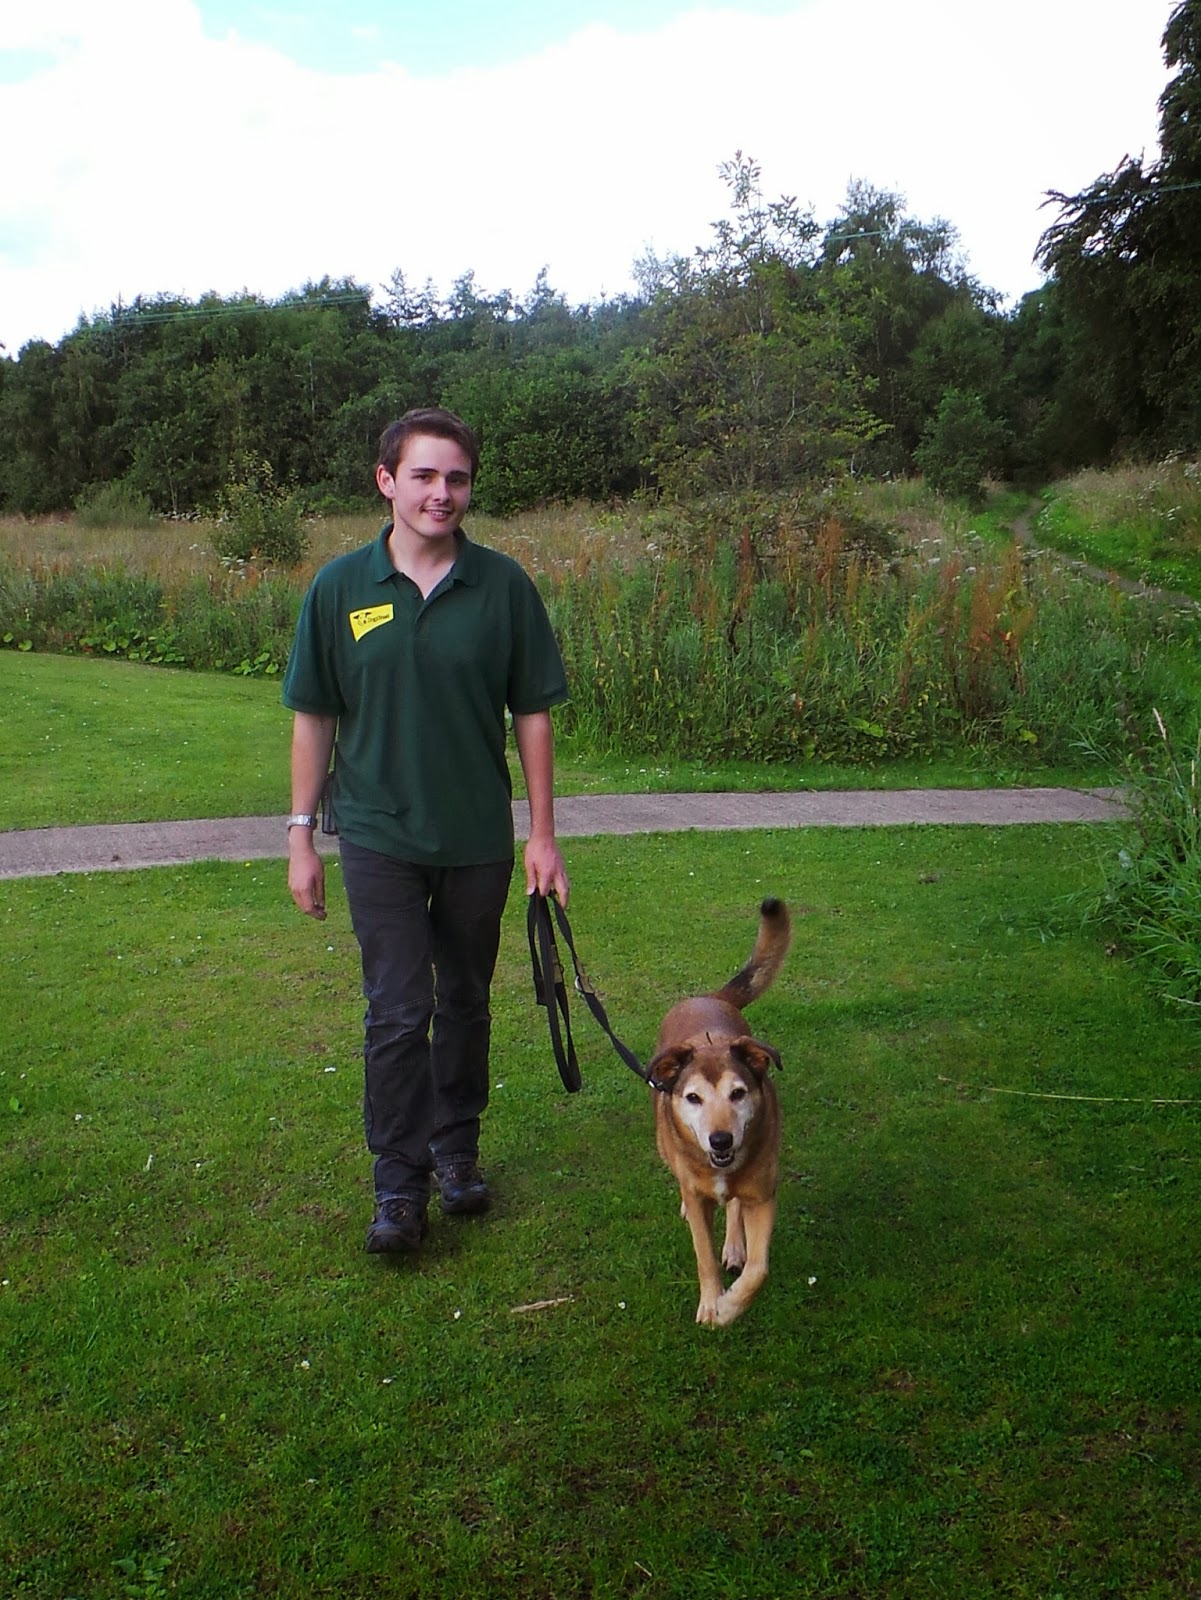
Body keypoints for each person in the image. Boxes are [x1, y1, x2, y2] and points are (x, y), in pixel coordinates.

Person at [282, 407, 570, 1255]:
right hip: (376, 834)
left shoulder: (503, 586)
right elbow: (312, 717)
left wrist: (542, 835)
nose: (442, 493)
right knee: (398, 1012)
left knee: (466, 1001)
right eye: (424, 476)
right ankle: (398, 1186)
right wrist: (301, 835)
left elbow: (533, 715)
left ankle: (457, 1152)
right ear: (386, 480)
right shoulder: (339, 588)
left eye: (457, 479)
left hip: (476, 835)